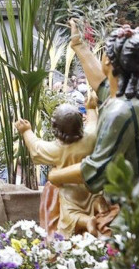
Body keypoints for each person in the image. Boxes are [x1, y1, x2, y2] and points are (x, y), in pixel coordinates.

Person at [49, 26, 139, 228]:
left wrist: (56, 175)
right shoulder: (138, 98)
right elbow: (102, 84)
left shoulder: (120, 111)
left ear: (108, 60)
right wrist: (78, 45)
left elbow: (99, 168)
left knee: (126, 256)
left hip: (135, 196)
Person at [15, 90, 114, 236]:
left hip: (70, 191)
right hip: (91, 185)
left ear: (55, 128)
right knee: (95, 196)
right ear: (80, 122)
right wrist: (91, 107)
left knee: (69, 214)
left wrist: (26, 131)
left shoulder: (56, 149)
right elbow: (93, 123)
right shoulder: (90, 138)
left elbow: (36, 149)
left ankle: (86, 221)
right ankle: (97, 202)